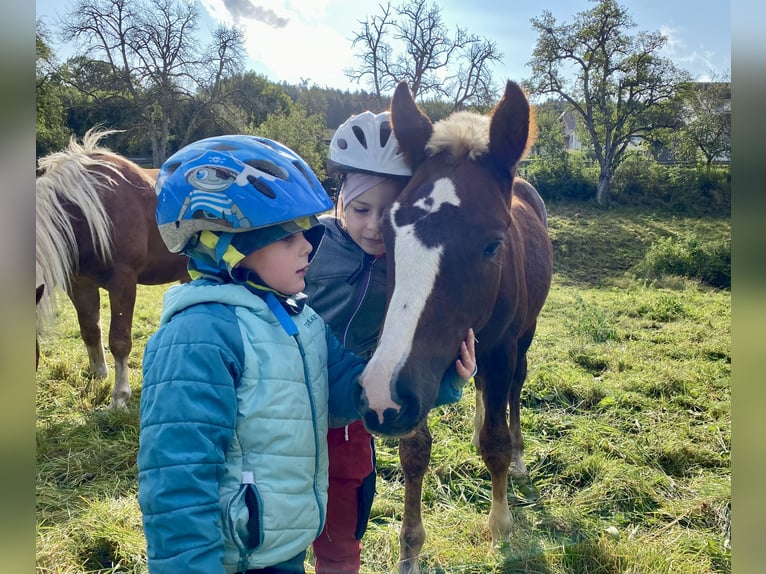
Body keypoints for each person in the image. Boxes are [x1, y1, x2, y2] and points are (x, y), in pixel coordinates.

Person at [137, 134, 476, 574]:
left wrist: (440, 380)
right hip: (230, 560)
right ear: (226, 245)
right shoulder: (198, 336)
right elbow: (178, 481)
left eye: (308, 231)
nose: (307, 246)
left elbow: (349, 391)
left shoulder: (301, 321)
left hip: (281, 550)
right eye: (287, 238)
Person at [305, 111, 477, 574]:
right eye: (361, 209)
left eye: (390, 212)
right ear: (338, 199)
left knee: (342, 539)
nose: (374, 226)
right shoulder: (307, 243)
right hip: (285, 411)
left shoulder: (410, 263)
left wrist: (447, 381)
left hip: (348, 419)